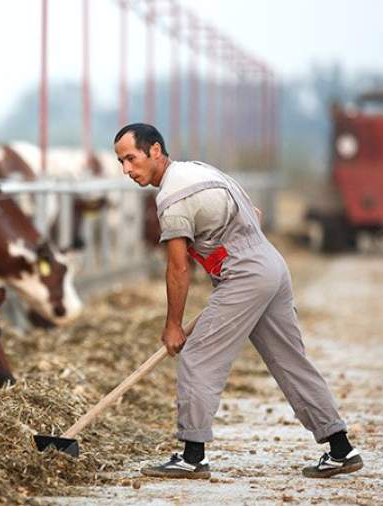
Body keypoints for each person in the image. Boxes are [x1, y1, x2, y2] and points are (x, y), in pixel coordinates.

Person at [113, 123, 362, 480]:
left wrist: (172, 326)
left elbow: (178, 267)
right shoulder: (201, 170)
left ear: (155, 151)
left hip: (245, 274)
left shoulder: (171, 197)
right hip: (271, 264)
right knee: (290, 360)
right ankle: (341, 448)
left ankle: (192, 456)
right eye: (121, 162)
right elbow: (254, 214)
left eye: (131, 159)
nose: (126, 170)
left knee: (198, 354)